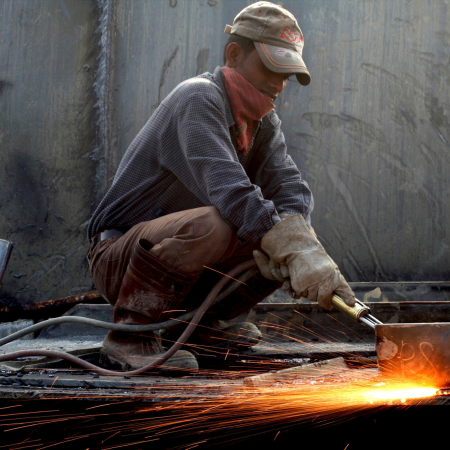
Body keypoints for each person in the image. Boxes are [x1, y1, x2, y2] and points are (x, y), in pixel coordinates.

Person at [87, 1, 356, 374]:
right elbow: (230, 189)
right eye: (271, 68)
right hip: (122, 259)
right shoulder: (198, 97)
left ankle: (200, 329)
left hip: (182, 266)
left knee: (282, 240)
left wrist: (306, 252)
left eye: (287, 75)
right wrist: (292, 246)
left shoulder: (262, 123)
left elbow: (289, 188)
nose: (279, 84)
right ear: (234, 54)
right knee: (221, 224)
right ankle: (129, 334)